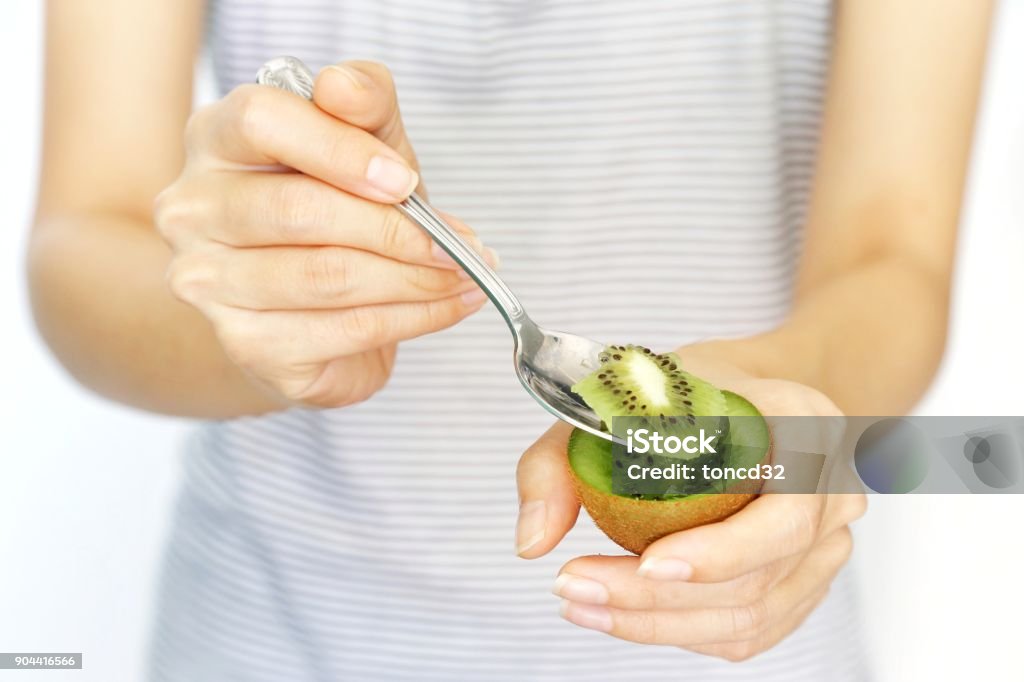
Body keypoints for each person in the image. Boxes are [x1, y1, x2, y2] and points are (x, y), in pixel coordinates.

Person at [28, 0, 991, 679]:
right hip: (276, 634)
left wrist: (759, 409)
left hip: (747, 642)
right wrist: (251, 327)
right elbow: (82, 244)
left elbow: (893, 257)